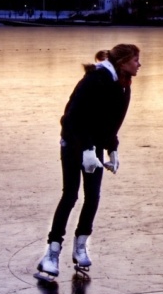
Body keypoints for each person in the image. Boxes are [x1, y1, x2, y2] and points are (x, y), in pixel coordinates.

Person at [36, 44, 141, 280]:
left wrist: (112, 149)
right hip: (73, 142)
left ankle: (81, 245)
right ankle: (51, 253)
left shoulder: (123, 85)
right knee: (71, 195)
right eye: (135, 60)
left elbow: (110, 123)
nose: (139, 65)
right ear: (123, 61)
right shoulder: (95, 80)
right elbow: (70, 119)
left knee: (93, 196)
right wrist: (85, 150)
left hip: (94, 146)